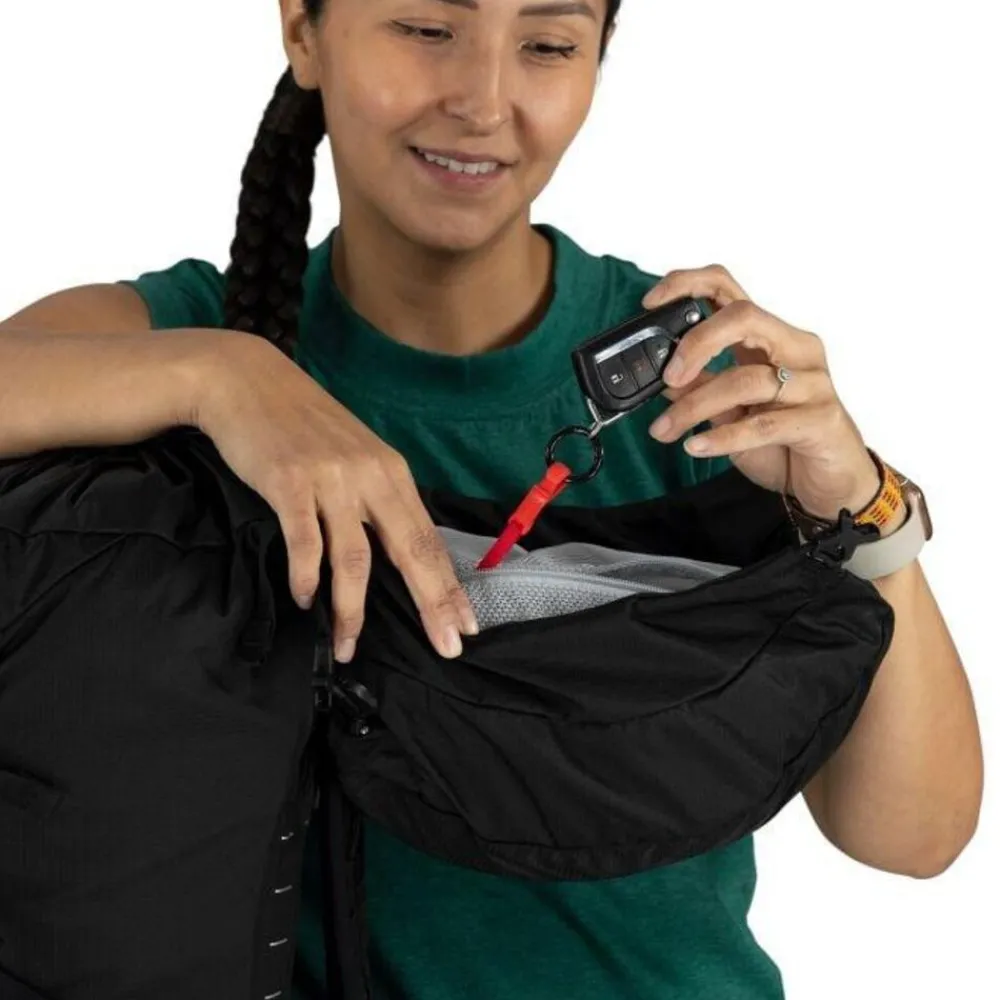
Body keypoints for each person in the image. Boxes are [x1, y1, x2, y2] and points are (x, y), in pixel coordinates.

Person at [0, 1, 983, 998]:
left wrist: (855, 503)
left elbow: (911, 836)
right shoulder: (184, 343)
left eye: (547, 45)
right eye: (428, 29)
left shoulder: (698, 382)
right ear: (303, 29)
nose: (483, 100)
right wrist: (222, 377)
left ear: (598, 60)